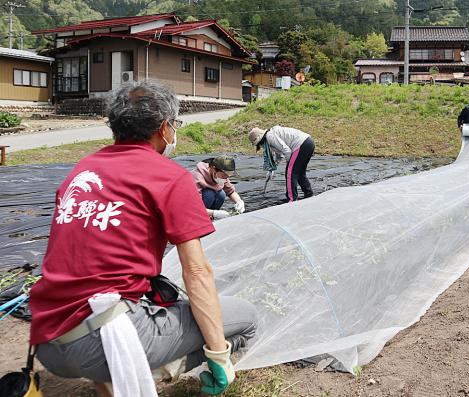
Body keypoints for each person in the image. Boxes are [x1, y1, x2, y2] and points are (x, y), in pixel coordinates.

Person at [28, 81, 257, 396]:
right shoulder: (169, 176)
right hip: (102, 339)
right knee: (247, 318)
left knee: (121, 299)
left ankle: (114, 381)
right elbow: (197, 271)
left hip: (46, 340)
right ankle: (157, 372)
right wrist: (218, 354)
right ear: (164, 128)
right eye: (174, 125)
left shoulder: (81, 171)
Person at [248, 125, 315, 202]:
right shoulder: (269, 137)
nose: (260, 146)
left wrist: (289, 166)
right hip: (308, 143)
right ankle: (309, 194)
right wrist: (271, 170)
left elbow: (287, 151)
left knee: (290, 173)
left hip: (302, 144)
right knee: (299, 173)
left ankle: (292, 200)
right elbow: (279, 156)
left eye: (258, 144)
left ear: (260, 139)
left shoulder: (269, 136)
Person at [192, 156, 245, 221]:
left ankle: (209, 218)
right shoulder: (197, 177)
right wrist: (214, 213)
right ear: (213, 168)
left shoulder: (221, 176)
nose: (225, 178)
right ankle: (201, 219)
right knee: (210, 194)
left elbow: (230, 191)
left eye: (227, 176)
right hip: (192, 208)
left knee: (221, 194)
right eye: (223, 176)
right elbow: (194, 206)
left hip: (205, 208)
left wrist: (239, 202)